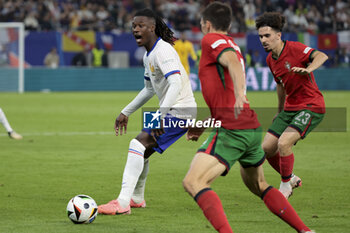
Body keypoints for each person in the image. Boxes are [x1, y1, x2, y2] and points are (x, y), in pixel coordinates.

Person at [182, 3, 314, 233]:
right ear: (230, 25)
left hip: (233, 129)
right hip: (249, 127)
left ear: (207, 24)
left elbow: (232, 61)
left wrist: (240, 94)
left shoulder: (210, 39)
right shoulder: (231, 42)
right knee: (260, 185)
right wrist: (204, 124)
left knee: (194, 182)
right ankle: (305, 230)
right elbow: (222, 94)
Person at [98, 8, 197, 215]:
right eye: (134, 26)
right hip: (171, 109)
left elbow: (176, 83)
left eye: (141, 26)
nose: (135, 29)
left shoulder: (163, 51)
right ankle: (136, 198)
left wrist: (161, 115)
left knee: (137, 143)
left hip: (180, 110)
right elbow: (149, 89)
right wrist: (126, 112)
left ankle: (123, 203)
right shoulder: (149, 56)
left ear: (152, 28)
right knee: (141, 152)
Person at [255, 12, 328, 199]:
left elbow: (321, 56)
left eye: (267, 36)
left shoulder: (295, 48)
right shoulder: (270, 60)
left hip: (311, 105)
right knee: (266, 148)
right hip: (290, 108)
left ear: (278, 35)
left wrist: (308, 69)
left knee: (284, 143)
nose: (263, 40)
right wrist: (279, 112)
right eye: (261, 36)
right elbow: (280, 86)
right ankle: (290, 177)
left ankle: (285, 186)